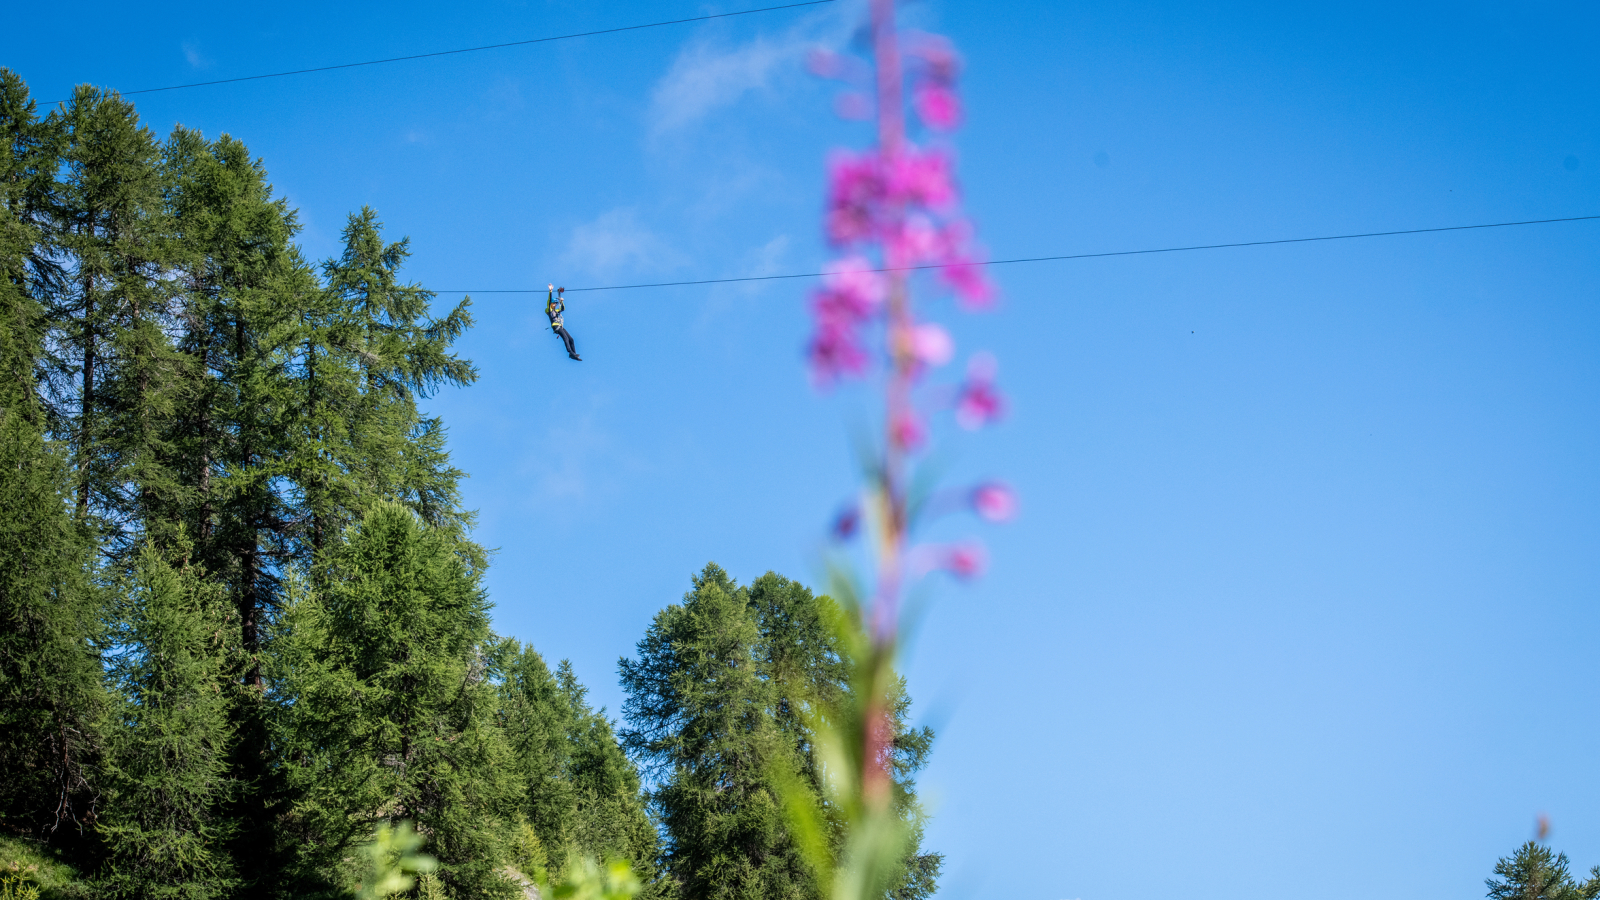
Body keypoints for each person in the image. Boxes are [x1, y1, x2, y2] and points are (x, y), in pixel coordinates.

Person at [546, 284, 581, 361]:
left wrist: (561, 302)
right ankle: (570, 352)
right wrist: (550, 291)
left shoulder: (556, 310)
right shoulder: (549, 310)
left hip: (560, 326)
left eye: (555, 303)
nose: (555, 305)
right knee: (565, 338)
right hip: (555, 326)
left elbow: (562, 309)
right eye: (554, 303)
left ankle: (574, 354)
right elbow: (549, 302)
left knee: (571, 339)